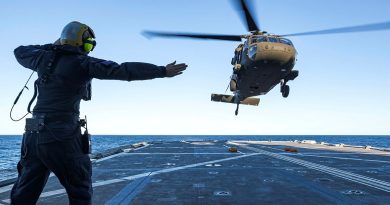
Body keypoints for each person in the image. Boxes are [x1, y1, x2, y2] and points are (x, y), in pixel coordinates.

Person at [10, 21, 187, 205]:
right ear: (79, 42)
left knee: (24, 192)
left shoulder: (42, 58)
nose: (89, 49)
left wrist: (54, 47)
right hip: (62, 135)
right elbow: (123, 70)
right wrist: (161, 71)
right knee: (80, 190)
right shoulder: (83, 63)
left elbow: (20, 50)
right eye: (88, 44)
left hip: (32, 136)